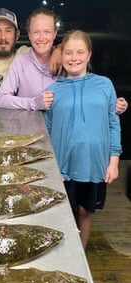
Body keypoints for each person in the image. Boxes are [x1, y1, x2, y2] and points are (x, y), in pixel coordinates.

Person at [43, 30, 122, 248]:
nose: (74, 58)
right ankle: (67, 253)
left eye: (80, 52)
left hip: (94, 163)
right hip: (62, 166)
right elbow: (47, 132)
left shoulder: (105, 85)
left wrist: (113, 162)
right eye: (68, 52)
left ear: (89, 55)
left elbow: (113, 123)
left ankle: (82, 250)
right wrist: (49, 169)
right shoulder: (52, 91)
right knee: (64, 212)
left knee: (86, 211)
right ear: (62, 55)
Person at [0, 7, 128, 114]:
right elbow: (1, 99)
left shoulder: (67, 60)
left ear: (54, 33)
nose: (41, 38)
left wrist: (112, 103)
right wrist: (34, 103)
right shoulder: (20, 62)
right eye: (36, 32)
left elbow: (86, 90)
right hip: (28, 134)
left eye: (47, 32)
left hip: (62, 133)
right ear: (29, 35)